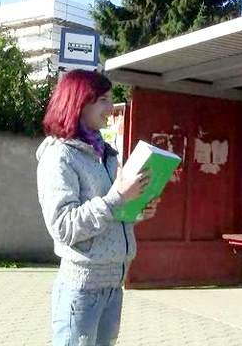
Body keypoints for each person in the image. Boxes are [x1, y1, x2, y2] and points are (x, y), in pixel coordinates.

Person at [36, 70, 159, 346]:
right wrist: (117, 198)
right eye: (103, 100)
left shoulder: (107, 153)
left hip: (114, 283)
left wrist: (136, 210)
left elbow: (110, 213)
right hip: (82, 288)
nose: (110, 108)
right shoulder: (59, 156)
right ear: (79, 102)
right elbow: (63, 226)